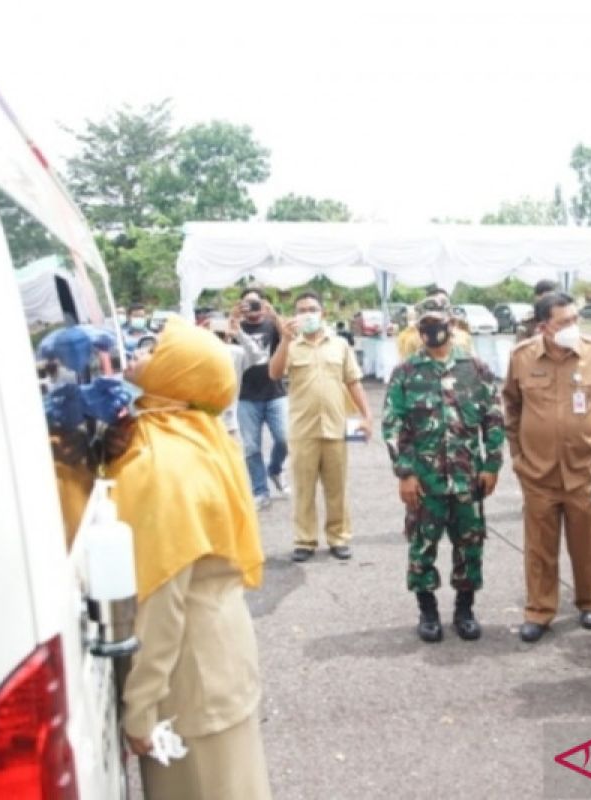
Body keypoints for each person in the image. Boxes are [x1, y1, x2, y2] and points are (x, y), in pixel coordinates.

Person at [107, 317, 272, 800]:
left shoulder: (165, 462)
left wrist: (140, 706)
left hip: (188, 684)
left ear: (178, 374)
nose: (141, 350)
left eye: (157, 348)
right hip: (217, 668)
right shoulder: (194, 436)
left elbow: (163, 598)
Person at [383, 294, 505, 643]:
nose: (432, 331)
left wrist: (492, 463)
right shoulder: (406, 372)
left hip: (468, 478)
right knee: (423, 545)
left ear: (451, 325)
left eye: (438, 323)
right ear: (417, 329)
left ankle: (465, 610)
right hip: (425, 481)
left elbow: (493, 419)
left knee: (470, 544)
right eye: (425, 326)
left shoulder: (475, 369)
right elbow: (393, 425)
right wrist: (405, 473)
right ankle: (428, 611)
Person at [503, 292, 591, 641]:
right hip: (538, 472)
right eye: (564, 322)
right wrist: (520, 456)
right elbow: (512, 408)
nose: (572, 327)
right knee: (539, 547)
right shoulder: (521, 357)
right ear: (543, 326)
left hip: (585, 468)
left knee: (588, 542)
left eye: (575, 319)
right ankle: (539, 610)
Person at [268, 291, 373, 563]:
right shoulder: (290, 345)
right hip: (303, 429)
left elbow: (354, 381)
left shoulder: (339, 345)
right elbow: (275, 373)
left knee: (336, 488)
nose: (307, 314)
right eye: (301, 310)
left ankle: (339, 537)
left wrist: (367, 416)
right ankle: (305, 540)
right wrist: (284, 340)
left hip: (337, 427)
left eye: (312, 309)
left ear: (322, 313)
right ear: (295, 315)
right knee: (304, 489)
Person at [235, 288, 290, 510]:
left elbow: (289, 336)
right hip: (245, 394)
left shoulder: (272, 325)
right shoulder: (236, 325)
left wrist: (274, 314)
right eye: (248, 304)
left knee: (284, 438)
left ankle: (275, 469)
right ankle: (260, 491)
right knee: (251, 447)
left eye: (257, 303)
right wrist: (233, 319)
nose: (253, 309)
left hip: (275, 392)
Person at [396, 287, 472, 359]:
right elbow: (404, 360)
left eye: (436, 321)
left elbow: (472, 356)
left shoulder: (463, 337)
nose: (431, 326)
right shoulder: (411, 338)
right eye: (425, 322)